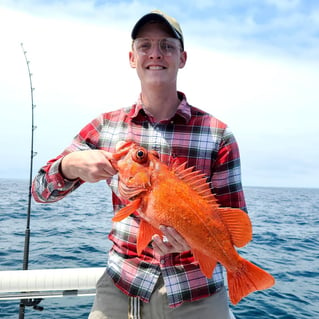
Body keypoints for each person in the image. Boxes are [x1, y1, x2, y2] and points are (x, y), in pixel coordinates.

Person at [32, 9, 246, 319]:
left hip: (198, 292)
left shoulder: (218, 135)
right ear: (132, 58)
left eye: (167, 46)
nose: (155, 54)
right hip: (122, 288)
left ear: (182, 58)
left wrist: (192, 241)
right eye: (144, 45)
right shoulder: (105, 127)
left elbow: (235, 221)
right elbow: (40, 191)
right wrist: (69, 166)